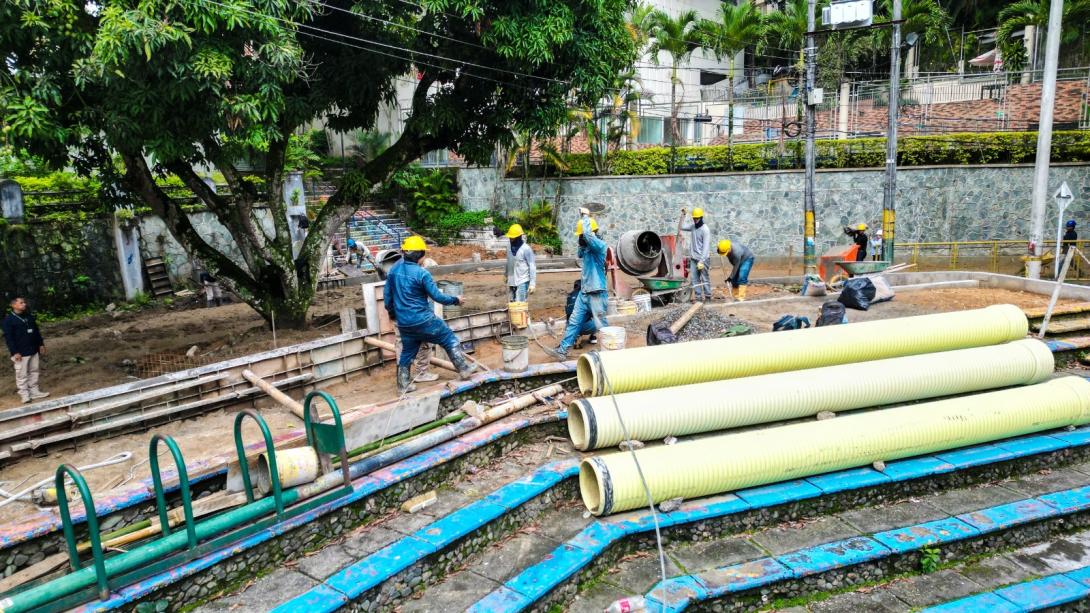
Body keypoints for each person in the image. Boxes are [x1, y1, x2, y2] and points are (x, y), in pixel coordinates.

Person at [385, 236, 477, 393]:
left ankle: (403, 385)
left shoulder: (393, 271)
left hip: (405, 323)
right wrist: (456, 300)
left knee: (407, 352)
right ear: (419, 255)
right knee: (448, 338)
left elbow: (387, 297)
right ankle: (463, 368)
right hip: (423, 319)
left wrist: (394, 314)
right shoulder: (422, 274)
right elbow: (437, 297)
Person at [550, 209, 608, 359]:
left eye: (581, 235)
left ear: (592, 233)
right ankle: (562, 350)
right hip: (584, 292)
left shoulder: (600, 246)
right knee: (574, 322)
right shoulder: (587, 249)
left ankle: (611, 352)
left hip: (597, 293)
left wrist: (585, 216)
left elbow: (588, 235)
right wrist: (581, 242)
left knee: (601, 325)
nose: (580, 237)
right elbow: (580, 253)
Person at [3, 297, 48, 404]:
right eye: (21, 303)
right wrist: (15, 352)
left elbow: (36, 331)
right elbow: (9, 338)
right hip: (21, 352)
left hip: (33, 349)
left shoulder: (29, 316)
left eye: (24, 302)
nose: (24, 304)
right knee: (21, 374)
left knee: (34, 371)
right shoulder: (8, 320)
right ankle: (24, 395)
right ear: (13, 305)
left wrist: (40, 344)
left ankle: (34, 391)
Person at [679, 207, 712, 301]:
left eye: (697, 218)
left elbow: (706, 247)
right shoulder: (693, 227)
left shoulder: (705, 230)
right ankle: (698, 297)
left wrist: (701, 261)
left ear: (701, 217)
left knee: (705, 278)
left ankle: (708, 297)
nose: (695, 220)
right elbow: (681, 227)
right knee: (694, 279)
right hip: (693, 258)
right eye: (694, 218)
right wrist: (683, 215)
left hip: (703, 259)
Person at [504, 224, 537, 302]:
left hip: (522, 281)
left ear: (518, 237)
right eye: (510, 237)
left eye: (512, 237)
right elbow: (508, 261)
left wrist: (532, 284)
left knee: (520, 304)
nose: (510, 238)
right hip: (511, 281)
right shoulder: (508, 247)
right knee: (512, 303)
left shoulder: (526, 249)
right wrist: (505, 274)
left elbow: (532, 266)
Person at [563, 280, 597, 348]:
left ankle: (576, 335)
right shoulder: (587, 295)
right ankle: (593, 337)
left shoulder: (569, 296)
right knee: (598, 318)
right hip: (585, 327)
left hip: (570, 327)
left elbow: (568, 315)